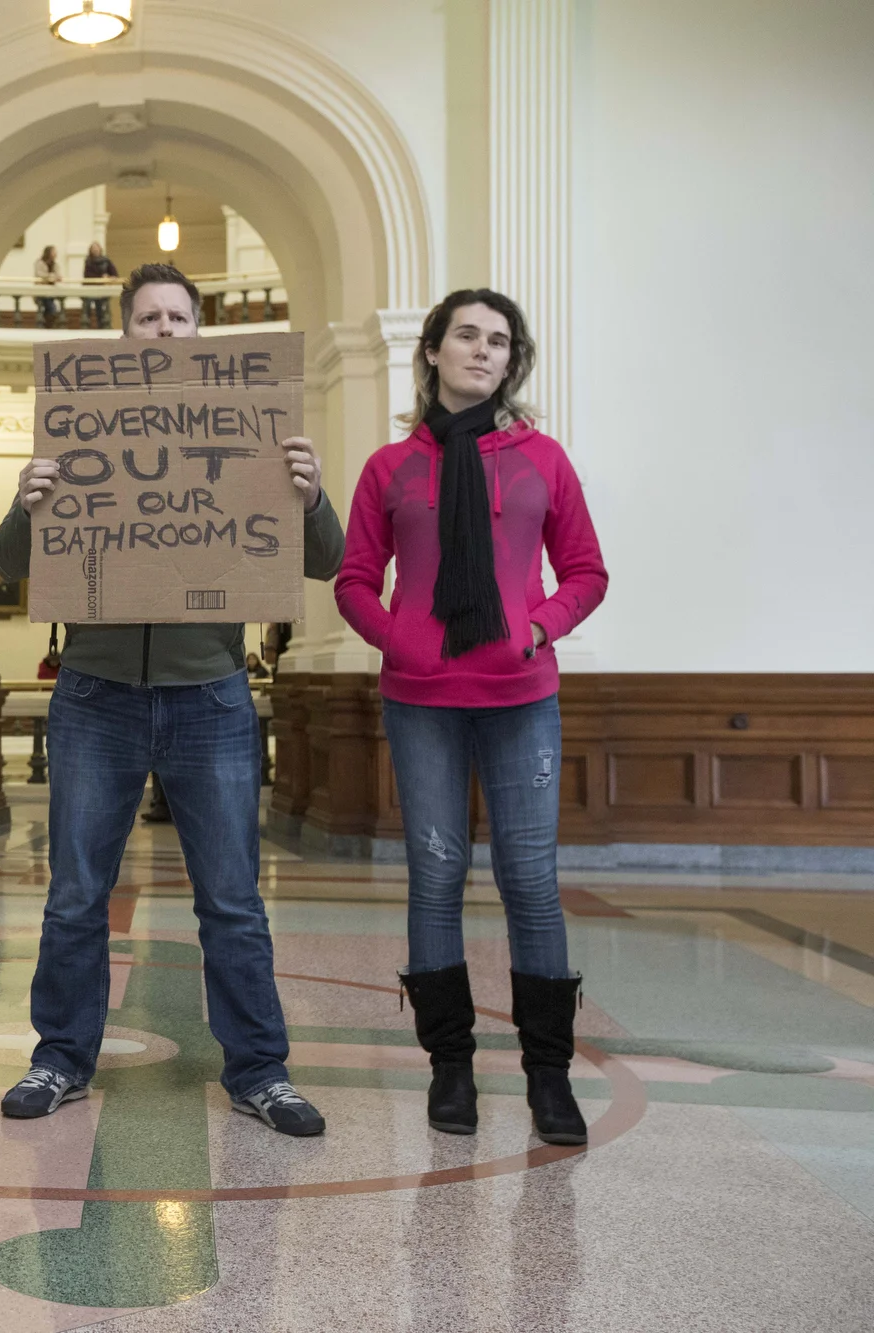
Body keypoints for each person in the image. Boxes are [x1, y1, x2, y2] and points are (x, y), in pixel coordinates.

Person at [0, 264, 344, 1135]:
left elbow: (326, 561)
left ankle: (261, 1070)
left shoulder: (251, 431)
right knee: (77, 892)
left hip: (211, 696)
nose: (161, 328)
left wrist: (309, 492)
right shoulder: (76, 438)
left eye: (177, 317)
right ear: (123, 337)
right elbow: (8, 563)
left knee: (231, 897)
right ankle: (59, 1058)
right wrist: (28, 501)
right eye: (145, 317)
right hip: (94, 695)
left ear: (200, 330)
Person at [335, 289, 607, 1146]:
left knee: (529, 881)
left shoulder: (542, 459)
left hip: (521, 696)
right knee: (437, 873)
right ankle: (449, 1066)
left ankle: (548, 1076)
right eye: (467, 336)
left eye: (499, 341)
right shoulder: (390, 467)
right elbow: (352, 579)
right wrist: (400, 641)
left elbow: (587, 572)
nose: (483, 351)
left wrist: (538, 626)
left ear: (509, 360)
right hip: (421, 700)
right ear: (434, 352)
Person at [82, 241, 119, 329]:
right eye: (93, 249)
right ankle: (87, 327)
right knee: (87, 308)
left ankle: (102, 326)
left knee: (100, 309)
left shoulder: (106, 260)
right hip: (91, 288)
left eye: (96, 248)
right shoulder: (88, 261)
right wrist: (101, 277)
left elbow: (114, 273)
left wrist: (109, 277)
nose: (95, 250)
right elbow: (87, 275)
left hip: (101, 289)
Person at [34, 244, 63, 327]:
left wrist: (55, 277)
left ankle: (47, 326)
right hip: (42, 292)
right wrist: (52, 277)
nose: (55, 254)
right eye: (54, 252)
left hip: (51, 293)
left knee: (51, 310)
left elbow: (58, 275)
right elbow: (40, 275)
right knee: (50, 309)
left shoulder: (55, 265)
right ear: (49, 253)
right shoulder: (40, 263)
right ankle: (45, 326)